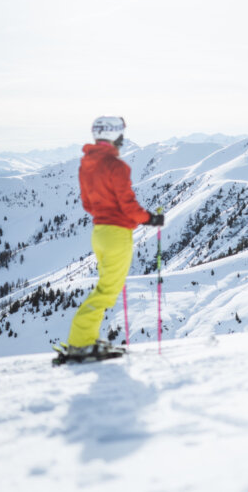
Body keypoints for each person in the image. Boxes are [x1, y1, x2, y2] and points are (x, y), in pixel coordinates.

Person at [66, 116, 164, 357]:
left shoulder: (86, 165)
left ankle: (86, 339)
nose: (122, 140)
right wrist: (150, 219)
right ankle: (80, 343)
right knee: (107, 291)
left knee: (105, 287)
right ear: (113, 137)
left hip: (99, 232)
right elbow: (128, 204)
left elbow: (88, 204)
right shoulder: (117, 166)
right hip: (116, 234)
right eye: (121, 136)